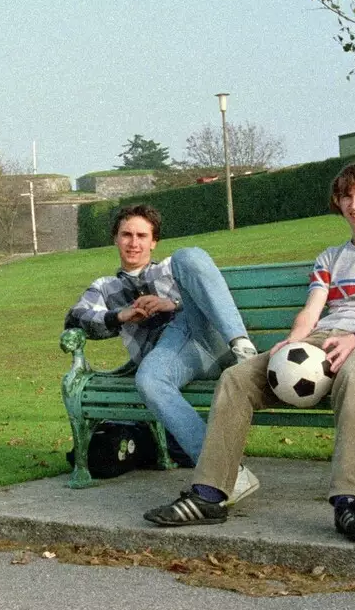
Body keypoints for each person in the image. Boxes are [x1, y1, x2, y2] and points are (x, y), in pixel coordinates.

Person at [143, 159, 355, 543]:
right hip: (322, 339)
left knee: (354, 374)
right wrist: (293, 341)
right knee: (237, 377)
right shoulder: (330, 257)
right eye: (347, 197)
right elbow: (312, 310)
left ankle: (350, 503)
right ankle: (209, 494)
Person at [65, 203, 261, 504]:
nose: (134, 242)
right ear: (115, 239)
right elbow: (75, 319)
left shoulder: (172, 269)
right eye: (126, 235)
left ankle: (245, 349)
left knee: (189, 254)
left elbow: (210, 293)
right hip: (176, 361)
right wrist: (121, 315)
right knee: (150, 381)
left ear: (153, 241)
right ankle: (229, 474)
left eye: (142, 235)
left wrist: (175, 305)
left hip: (208, 339)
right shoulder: (105, 287)